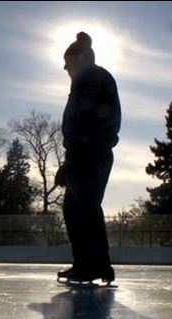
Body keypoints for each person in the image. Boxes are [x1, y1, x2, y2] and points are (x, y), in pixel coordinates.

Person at [55, 32, 121, 282]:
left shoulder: (92, 77)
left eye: (68, 62)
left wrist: (82, 147)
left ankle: (95, 265)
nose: (65, 67)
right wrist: (69, 161)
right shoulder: (88, 79)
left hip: (91, 153)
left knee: (84, 208)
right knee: (76, 208)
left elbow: (89, 117)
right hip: (84, 152)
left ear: (81, 58)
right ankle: (88, 264)